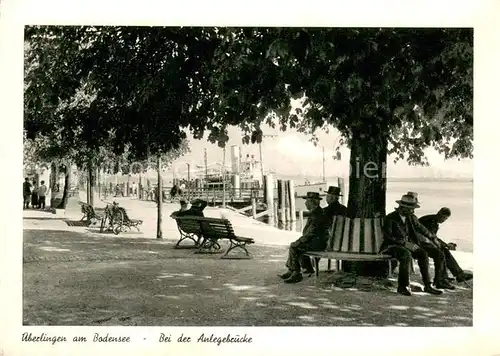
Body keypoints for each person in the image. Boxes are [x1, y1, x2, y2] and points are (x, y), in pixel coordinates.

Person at [381, 193, 447, 296]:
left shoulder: (411, 217)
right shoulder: (390, 218)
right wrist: (405, 243)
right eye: (410, 208)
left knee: (423, 253)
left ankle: (428, 285)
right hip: (392, 246)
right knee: (406, 254)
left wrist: (433, 238)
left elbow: (422, 229)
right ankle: (403, 286)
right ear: (402, 208)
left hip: (407, 245)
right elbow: (388, 238)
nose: (413, 211)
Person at [279, 192, 327, 284]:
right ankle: (303, 269)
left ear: (312, 202)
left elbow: (311, 233)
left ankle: (296, 273)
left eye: (307, 201)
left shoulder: (316, 214)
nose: (305, 203)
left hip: (318, 243)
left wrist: (300, 241)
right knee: (298, 245)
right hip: (317, 241)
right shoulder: (317, 212)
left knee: (294, 246)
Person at [419, 207, 473, 284]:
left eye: (445, 219)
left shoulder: (433, 220)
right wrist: (445, 245)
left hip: (425, 242)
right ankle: (453, 275)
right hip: (420, 243)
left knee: (443, 250)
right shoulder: (429, 221)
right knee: (442, 251)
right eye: (443, 217)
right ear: (439, 214)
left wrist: (445, 245)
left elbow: (433, 237)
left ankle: (447, 276)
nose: (443, 220)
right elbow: (431, 237)